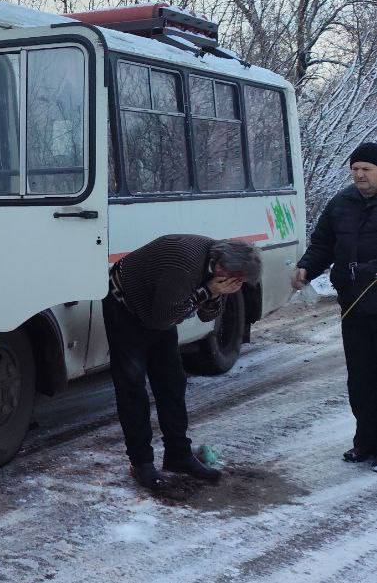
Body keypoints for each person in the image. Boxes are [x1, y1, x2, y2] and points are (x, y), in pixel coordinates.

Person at [103, 235, 262, 490]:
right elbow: (163, 319)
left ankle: (178, 454)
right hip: (125, 304)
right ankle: (141, 462)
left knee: (172, 381)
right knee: (132, 383)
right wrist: (209, 290)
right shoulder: (184, 265)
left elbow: (204, 314)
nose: (237, 284)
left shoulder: (217, 267)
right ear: (222, 267)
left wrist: (215, 294)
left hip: (161, 308)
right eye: (237, 279)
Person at [291, 141, 377, 470]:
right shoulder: (341, 202)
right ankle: (365, 443)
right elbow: (323, 243)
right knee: (360, 377)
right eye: (354, 169)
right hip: (354, 304)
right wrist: (306, 267)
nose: (359, 175)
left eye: (366, 169)